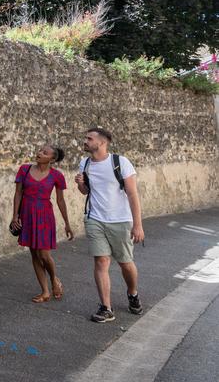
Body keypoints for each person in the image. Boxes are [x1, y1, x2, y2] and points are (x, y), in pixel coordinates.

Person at [74, 127, 145, 323]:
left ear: (102, 142)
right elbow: (85, 191)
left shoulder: (120, 162)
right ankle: (106, 307)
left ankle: (132, 293)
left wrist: (137, 225)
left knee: (125, 263)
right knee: (101, 261)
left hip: (120, 220)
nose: (85, 141)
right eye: (85, 138)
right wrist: (80, 183)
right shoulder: (84, 163)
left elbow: (132, 194)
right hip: (95, 219)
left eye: (89, 138)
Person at [10, 144, 74, 303]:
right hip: (27, 214)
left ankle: (53, 279)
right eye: (40, 150)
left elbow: (60, 200)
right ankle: (45, 291)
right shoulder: (24, 170)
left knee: (44, 254)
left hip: (45, 216)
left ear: (52, 159)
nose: (39, 153)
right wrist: (15, 216)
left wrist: (67, 223)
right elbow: (18, 193)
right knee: (34, 254)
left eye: (45, 153)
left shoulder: (57, 176)